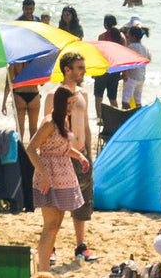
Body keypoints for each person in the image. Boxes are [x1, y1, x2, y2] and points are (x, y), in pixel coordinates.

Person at [29, 85, 90, 271]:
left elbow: (60, 148)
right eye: (68, 103)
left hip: (64, 176)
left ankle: (45, 268)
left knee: (56, 225)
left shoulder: (64, 120)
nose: (71, 107)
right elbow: (31, 149)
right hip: (49, 176)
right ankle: (44, 271)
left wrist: (79, 155)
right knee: (49, 225)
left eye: (72, 103)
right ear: (60, 103)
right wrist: (44, 175)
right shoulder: (49, 123)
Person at [59, 51, 98, 262]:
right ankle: (53, 247)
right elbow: (51, 127)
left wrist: (89, 155)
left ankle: (80, 245)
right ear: (67, 70)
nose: (84, 71)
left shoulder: (83, 94)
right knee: (58, 202)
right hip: (63, 155)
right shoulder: (56, 95)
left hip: (82, 154)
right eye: (79, 67)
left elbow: (86, 126)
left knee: (82, 201)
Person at [94, 14, 125, 107]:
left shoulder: (102, 37)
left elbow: (99, 55)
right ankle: (116, 116)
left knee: (98, 96)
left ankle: (99, 117)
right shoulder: (121, 37)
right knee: (112, 97)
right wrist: (125, 72)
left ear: (105, 24)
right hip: (115, 69)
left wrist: (95, 71)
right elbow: (124, 55)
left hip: (104, 69)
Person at [122, 21, 151, 109]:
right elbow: (149, 59)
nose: (128, 37)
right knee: (138, 101)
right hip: (141, 77)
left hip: (132, 77)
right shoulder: (145, 48)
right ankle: (140, 117)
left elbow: (126, 62)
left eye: (129, 35)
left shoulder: (131, 47)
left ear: (133, 36)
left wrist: (125, 74)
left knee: (125, 101)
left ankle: (128, 117)